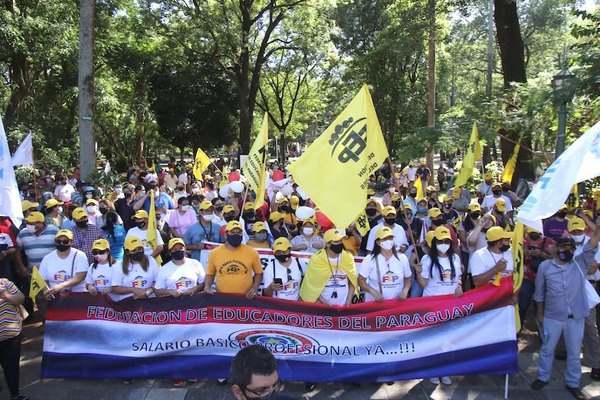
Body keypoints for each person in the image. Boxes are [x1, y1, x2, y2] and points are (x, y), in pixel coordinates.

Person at [530, 223, 600, 399]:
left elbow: (593, 242)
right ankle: (542, 377)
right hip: (553, 316)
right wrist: (540, 313)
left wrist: (597, 226)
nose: (566, 250)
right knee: (547, 349)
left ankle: (573, 383)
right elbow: (539, 293)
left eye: (570, 248)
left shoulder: (580, 264)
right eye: (563, 247)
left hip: (575, 318)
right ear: (555, 248)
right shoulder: (545, 267)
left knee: (574, 353)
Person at [415, 225, 463, 385]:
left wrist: (460, 287)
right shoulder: (427, 259)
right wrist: (418, 272)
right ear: (434, 242)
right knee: (434, 339)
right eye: (441, 241)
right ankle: (433, 370)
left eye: (447, 241)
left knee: (448, 339)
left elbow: (458, 277)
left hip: (451, 304)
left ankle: (445, 370)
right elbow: (423, 284)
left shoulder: (455, 258)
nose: (444, 244)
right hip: (433, 304)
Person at [203, 221, 263, 298]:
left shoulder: (252, 252)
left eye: (239, 233)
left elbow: (259, 273)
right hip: (222, 298)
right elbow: (210, 274)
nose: (236, 235)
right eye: (232, 232)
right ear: (225, 235)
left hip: (246, 298)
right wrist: (207, 286)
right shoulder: (214, 253)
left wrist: (255, 288)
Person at [299, 229, 358, 307]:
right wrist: (324, 303)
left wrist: (349, 300)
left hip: (344, 305)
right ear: (327, 244)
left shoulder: (348, 257)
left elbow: (352, 280)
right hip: (322, 306)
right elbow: (311, 285)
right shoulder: (317, 259)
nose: (340, 243)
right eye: (336, 241)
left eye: (341, 240)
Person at [358, 226, 412, 302]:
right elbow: (361, 280)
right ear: (378, 242)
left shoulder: (402, 258)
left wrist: (405, 291)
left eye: (390, 238)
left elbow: (408, 278)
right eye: (384, 238)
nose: (388, 241)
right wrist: (372, 291)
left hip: (396, 305)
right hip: (376, 305)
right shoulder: (369, 259)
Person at [0, 277, 30, 400]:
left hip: (10, 336)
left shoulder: (5, 283)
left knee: (11, 368)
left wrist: (5, 295)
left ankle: (15, 395)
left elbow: (21, 298)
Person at [518, 227, 554, 328]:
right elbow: (513, 257)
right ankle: (518, 327)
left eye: (535, 232)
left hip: (543, 278)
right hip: (526, 278)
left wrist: (542, 254)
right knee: (523, 305)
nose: (533, 234)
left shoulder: (549, 241)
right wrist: (523, 254)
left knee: (541, 307)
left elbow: (556, 258)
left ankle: (542, 332)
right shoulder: (521, 241)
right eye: (531, 233)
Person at [39, 229, 89, 299]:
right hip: (56, 297)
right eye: (58, 241)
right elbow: (42, 279)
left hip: (78, 296)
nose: (61, 244)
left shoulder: (80, 255)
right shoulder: (47, 258)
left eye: (65, 242)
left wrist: (61, 286)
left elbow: (81, 276)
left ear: (71, 242)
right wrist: (47, 291)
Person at [111, 236, 160, 300]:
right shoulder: (119, 265)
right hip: (128, 303)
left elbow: (158, 281)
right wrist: (133, 290)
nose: (138, 252)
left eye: (139, 249)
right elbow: (115, 288)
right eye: (134, 250)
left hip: (149, 302)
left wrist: (148, 292)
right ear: (127, 252)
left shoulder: (151, 261)